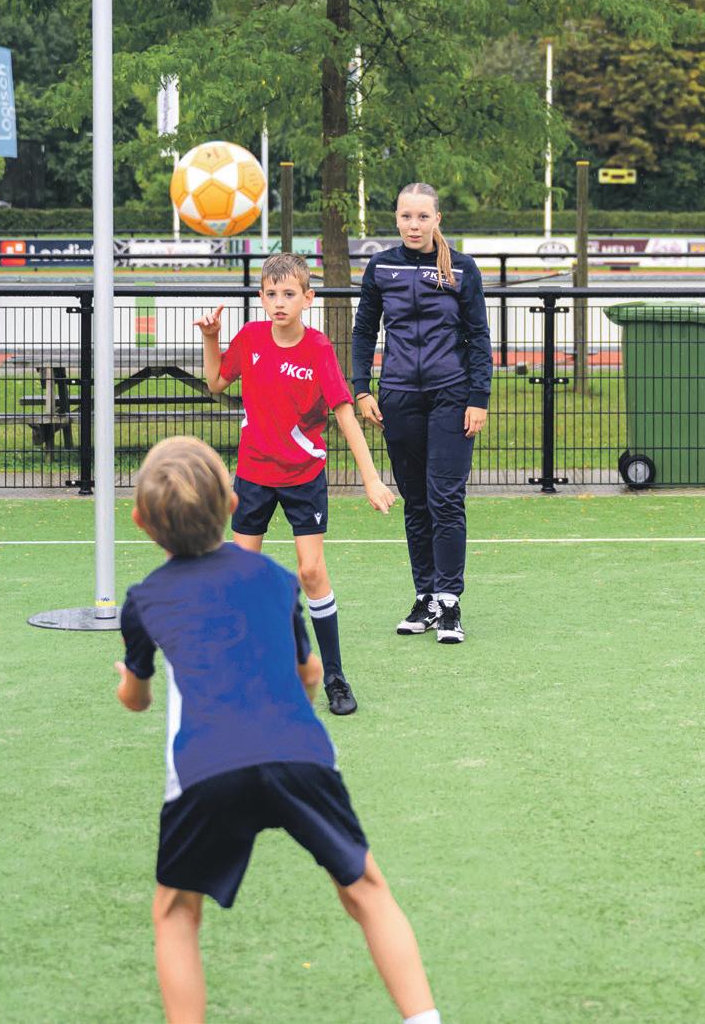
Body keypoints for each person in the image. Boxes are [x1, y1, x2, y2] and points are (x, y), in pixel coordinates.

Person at [114, 437, 438, 1024]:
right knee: (367, 890)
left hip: (206, 768)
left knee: (176, 912)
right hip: (299, 752)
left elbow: (136, 698)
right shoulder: (272, 576)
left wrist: (128, 687)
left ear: (140, 522)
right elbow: (308, 673)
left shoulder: (144, 599)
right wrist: (299, 700)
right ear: (233, 503)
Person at [198, 252, 395, 716]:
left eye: (289, 294)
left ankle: (335, 677)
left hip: (303, 477)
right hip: (253, 475)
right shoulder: (250, 338)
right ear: (261, 297)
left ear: (308, 298)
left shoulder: (318, 349)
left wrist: (371, 478)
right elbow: (215, 383)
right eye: (271, 294)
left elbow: (345, 416)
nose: (279, 302)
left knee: (310, 572)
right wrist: (211, 338)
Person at [352, 183, 492, 644]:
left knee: (445, 498)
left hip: (452, 396)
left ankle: (449, 602)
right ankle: (426, 596)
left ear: (437, 220)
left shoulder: (462, 269)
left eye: (422, 217)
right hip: (397, 399)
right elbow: (364, 331)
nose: (414, 225)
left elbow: (479, 337)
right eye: (406, 216)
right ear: (396, 219)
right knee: (415, 501)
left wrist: (478, 397)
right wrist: (362, 389)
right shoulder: (381, 266)